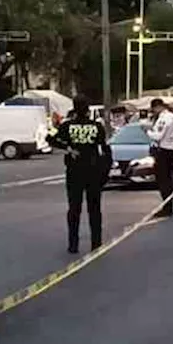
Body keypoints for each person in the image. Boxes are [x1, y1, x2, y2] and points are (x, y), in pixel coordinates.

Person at [50, 95, 113, 254]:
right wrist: (105, 170)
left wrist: (69, 149)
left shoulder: (67, 126)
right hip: (93, 170)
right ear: (87, 109)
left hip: (74, 171)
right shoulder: (96, 126)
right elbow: (104, 148)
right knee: (94, 208)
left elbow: (51, 139)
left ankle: (73, 244)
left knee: (74, 208)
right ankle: (96, 242)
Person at [144, 98, 173, 218]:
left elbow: (158, 136)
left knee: (163, 181)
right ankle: (168, 206)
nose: (154, 112)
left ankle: (167, 208)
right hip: (170, 150)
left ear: (157, 107)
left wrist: (147, 131)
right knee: (168, 180)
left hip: (163, 151)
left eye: (154, 109)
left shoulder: (164, 118)